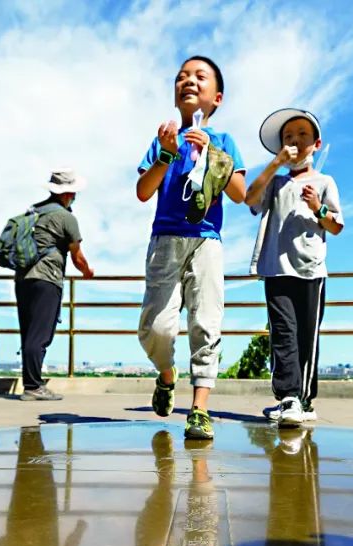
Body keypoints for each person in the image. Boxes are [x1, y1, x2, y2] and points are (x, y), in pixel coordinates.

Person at [136, 56, 246, 440]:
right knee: (156, 327)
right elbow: (143, 191)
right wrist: (167, 153)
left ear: (217, 97)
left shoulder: (224, 140)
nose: (189, 81)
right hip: (164, 240)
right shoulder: (163, 139)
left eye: (200, 77)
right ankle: (167, 375)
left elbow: (239, 194)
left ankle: (200, 408)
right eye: (181, 76)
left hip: (207, 239)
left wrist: (215, 155)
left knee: (206, 321)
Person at [245, 108, 344, 428]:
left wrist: (319, 207)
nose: (295, 141)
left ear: (317, 144)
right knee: (282, 333)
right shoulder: (275, 182)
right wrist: (274, 165)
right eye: (288, 137)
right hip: (276, 268)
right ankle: (288, 397)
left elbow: (336, 226)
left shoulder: (325, 182)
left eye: (302, 135)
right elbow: (250, 198)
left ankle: (304, 400)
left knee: (306, 336)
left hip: (312, 270)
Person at [11, 169, 95, 401]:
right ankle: (33, 387)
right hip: (47, 279)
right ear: (68, 194)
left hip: (22, 278)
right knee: (40, 335)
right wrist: (88, 272)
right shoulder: (66, 217)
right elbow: (77, 257)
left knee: (28, 333)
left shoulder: (33, 211)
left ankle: (31, 383)